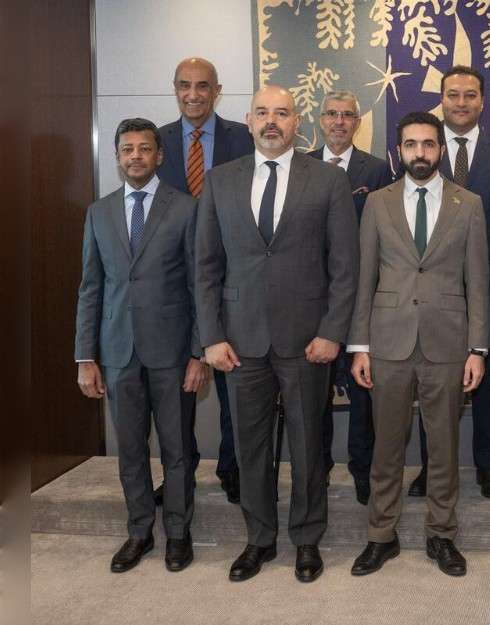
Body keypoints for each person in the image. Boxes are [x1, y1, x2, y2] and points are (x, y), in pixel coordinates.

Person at [195, 85, 358, 583]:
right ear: (248, 120)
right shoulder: (220, 182)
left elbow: (344, 267)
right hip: (239, 342)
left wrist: (333, 331)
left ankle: (307, 539)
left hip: (307, 340)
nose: (272, 121)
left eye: (282, 113)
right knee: (249, 446)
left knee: (309, 445)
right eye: (262, 112)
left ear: (297, 122)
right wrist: (211, 337)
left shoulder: (328, 180)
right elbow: (205, 266)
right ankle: (258, 539)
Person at [347, 111, 490, 578]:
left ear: (441, 149)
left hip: (448, 345)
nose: (421, 153)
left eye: (429, 144)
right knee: (386, 447)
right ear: (400, 150)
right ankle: (380, 536)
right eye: (411, 145)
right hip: (387, 343)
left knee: (444, 448)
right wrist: (359, 346)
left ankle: (441, 535)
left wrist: (478, 349)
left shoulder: (469, 204)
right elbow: (364, 277)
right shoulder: (377, 204)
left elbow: (478, 282)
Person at [75, 118, 210, 573]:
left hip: (172, 355)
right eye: (127, 148)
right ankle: (138, 532)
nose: (135, 156)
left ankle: (178, 533)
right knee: (130, 450)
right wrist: (85, 357)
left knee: (176, 450)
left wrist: (198, 353)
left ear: (159, 156)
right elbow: (90, 288)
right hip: (117, 354)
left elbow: (199, 286)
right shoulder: (99, 212)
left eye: (144, 148)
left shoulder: (185, 208)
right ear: (117, 156)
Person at [408, 65, 490, 501]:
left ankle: (488, 465)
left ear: (483, 102)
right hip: (431, 291)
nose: (461, 102)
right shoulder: (420, 149)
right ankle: (429, 467)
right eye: (453, 94)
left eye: (470, 95)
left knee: (487, 386)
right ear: (442, 99)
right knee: (431, 382)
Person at [156, 57, 255, 506]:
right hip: (173, 280)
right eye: (184, 86)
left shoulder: (243, 138)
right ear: (175, 90)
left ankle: (233, 467)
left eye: (202, 86)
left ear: (218, 90)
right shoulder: (156, 143)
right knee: (178, 384)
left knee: (233, 377)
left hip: (231, 275)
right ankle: (181, 472)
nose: (192, 94)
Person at [307, 90, 394, 505]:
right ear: (319, 120)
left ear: (358, 122)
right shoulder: (301, 165)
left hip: (362, 299)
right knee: (314, 394)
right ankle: (318, 469)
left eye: (347, 115)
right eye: (332, 115)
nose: (339, 122)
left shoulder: (376, 170)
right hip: (311, 302)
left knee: (363, 393)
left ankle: (363, 470)